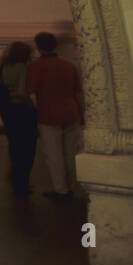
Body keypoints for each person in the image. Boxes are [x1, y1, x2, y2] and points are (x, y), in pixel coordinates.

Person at [25, 32, 83, 203]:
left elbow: (31, 93)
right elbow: (78, 92)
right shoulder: (69, 65)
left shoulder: (36, 67)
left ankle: (61, 190)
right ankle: (74, 187)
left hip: (49, 114)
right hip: (72, 112)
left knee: (54, 155)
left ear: (38, 47)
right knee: (71, 153)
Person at [0, 41, 38, 196]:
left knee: (13, 143)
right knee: (26, 147)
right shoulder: (23, 67)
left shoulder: (2, 65)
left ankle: (16, 179)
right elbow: (22, 93)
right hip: (21, 109)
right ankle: (22, 183)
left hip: (6, 109)